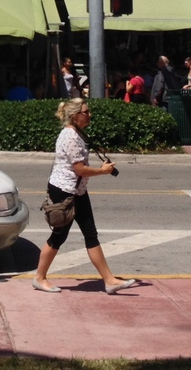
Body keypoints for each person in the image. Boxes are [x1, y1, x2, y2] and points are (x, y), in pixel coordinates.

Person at [32, 98, 139, 295]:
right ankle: (39, 278)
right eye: (86, 112)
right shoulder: (70, 136)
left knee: (90, 234)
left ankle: (109, 280)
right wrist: (103, 171)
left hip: (77, 191)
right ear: (75, 117)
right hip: (64, 190)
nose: (90, 115)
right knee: (58, 236)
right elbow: (80, 169)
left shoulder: (77, 133)